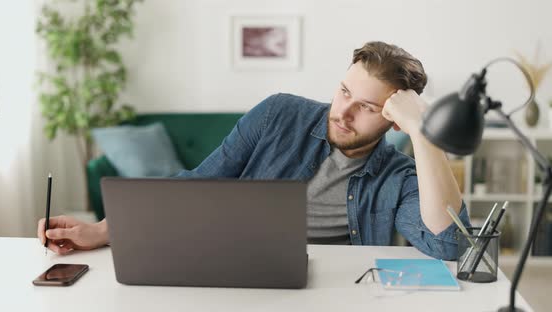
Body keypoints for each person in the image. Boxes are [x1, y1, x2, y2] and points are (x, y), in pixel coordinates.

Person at [38, 41, 471, 260]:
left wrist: (424, 132)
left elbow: (448, 245)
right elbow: (198, 185)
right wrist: (102, 230)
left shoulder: (393, 174)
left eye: (367, 107)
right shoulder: (277, 114)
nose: (343, 112)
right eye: (343, 92)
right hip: (243, 275)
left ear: (394, 118)